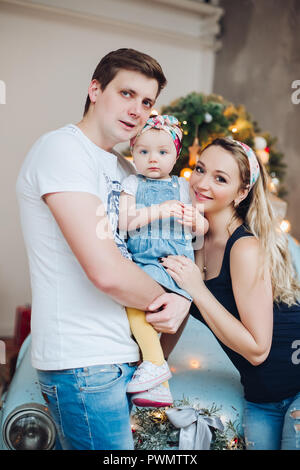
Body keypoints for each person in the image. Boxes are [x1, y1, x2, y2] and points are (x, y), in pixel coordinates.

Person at [16, 49, 191, 450]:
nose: (137, 110)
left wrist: (183, 298)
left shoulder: (128, 170)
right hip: (83, 361)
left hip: (124, 355)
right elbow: (106, 271)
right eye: (126, 94)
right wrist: (174, 299)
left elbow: (155, 249)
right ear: (95, 89)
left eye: (146, 102)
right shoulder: (62, 150)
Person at [157, 137, 300, 450]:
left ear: (242, 192)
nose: (202, 183)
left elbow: (257, 349)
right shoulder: (193, 238)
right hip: (260, 397)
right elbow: (182, 306)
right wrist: (154, 364)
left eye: (220, 178)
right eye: (200, 169)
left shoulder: (244, 247)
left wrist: (197, 288)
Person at [118, 114, 208, 407]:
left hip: (173, 263)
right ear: (133, 152)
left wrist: (196, 221)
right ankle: (159, 374)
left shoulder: (182, 187)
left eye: (162, 152)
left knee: (146, 311)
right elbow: (125, 221)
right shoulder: (131, 182)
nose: (152, 159)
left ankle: (155, 368)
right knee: (135, 306)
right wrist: (162, 210)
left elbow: (203, 229)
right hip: (142, 261)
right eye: (143, 152)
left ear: (176, 155)